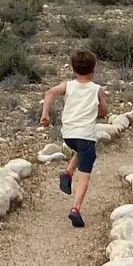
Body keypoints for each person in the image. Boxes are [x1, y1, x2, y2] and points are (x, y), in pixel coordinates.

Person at [39, 48, 109, 228]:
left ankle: (67, 173)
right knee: (85, 171)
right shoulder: (97, 89)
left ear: (73, 69)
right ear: (94, 69)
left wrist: (45, 114)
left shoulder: (67, 85)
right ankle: (76, 208)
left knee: (83, 150)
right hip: (85, 135)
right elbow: (103, 111)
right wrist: (99, 108)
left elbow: (50, 93)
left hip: (69, 135)